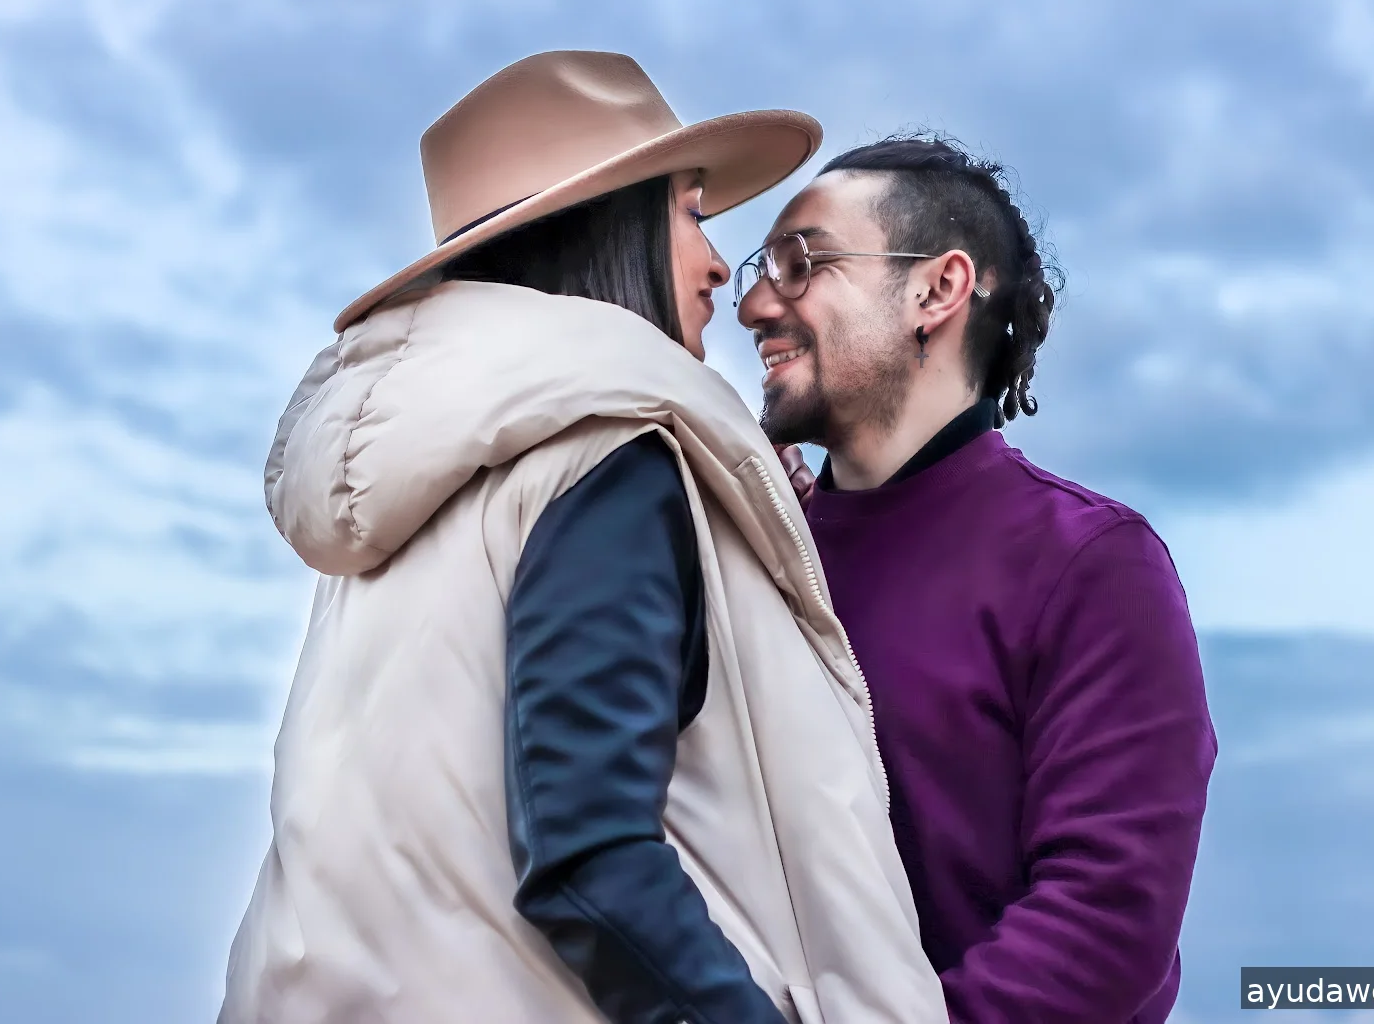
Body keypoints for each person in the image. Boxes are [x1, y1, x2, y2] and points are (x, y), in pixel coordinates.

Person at [219, 53, 945, 1024]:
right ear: (611, 228)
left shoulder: (409, 494)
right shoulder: (610, 456)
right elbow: (588, 855)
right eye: (692, 214)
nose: (718, 265)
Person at [742, 134, 1218, 1024]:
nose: (756, 305)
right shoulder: (751, 557)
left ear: (937, 289)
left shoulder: (1091, 564)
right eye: (759, 272)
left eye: (801, 263)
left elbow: (1105, 921)